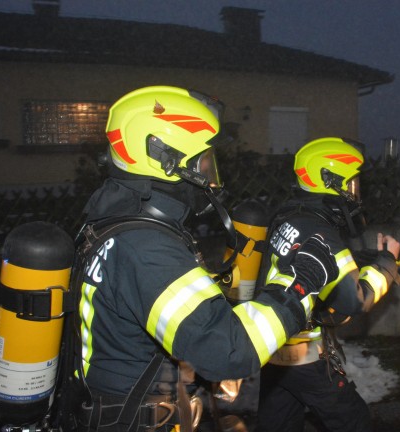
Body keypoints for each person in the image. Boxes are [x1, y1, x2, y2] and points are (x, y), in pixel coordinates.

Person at [69, 86, 339, 432]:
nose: (211, 179)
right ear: (165, 157)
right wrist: (302, 281)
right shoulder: (146, 248)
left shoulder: (116, 228)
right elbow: (227, 351)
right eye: (205, 163)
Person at [254, 137, 400, 432]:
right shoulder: (322, 232)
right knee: (354, 421)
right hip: (304, 358)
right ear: (330, 180)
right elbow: (355, 301)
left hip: (274, 352)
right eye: (351, 184)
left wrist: (362, 258)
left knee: (278, 425)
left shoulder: (290, 215)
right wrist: (386, 263)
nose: (355, 193)